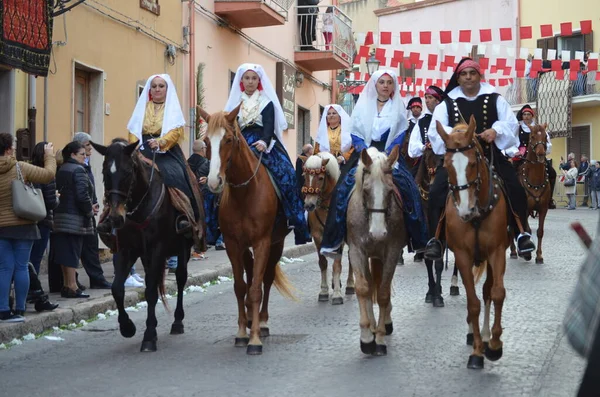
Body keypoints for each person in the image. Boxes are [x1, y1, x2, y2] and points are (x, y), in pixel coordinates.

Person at [424, 58, 536, 260]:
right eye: (464, 74)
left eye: (472, 73)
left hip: (489, 154)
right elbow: (435, 129)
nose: (468, 77)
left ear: (479, 76)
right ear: (458, 78)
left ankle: (521, 232)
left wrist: (495, 130)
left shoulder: (494, 99)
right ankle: (436, 238)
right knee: (436, 192)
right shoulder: (448, 103)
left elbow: (510, 124)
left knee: (515, 187)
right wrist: (457, 134)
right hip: (458, 156)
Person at [320, 69, 429, 258]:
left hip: (389, 156)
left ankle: (419, 239)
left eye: (389, 82)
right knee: (341, 190)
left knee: (409, 187)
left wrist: (388, 155)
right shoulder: (362, 106)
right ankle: (334, 241)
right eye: (382, 82)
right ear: (375, 85)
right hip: (365, 155)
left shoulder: (398, 107)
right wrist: (365, 150)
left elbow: (400, 134)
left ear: (393, 86)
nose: (385, 86)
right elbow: (355, 133)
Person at [97, 74, 204, 252]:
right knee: (124, 176)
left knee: (176, 175)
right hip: (141, 148)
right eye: (153, 86)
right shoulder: (142, 108)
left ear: (167, 89)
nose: (157, 89)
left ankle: (183, 216)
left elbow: (176, 131)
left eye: (161, 86)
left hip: (167, 151)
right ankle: (110, 216)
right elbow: (133, 129)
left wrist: (161, 142)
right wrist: (136, 146)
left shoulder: (172, 109)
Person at [223, 63, 311, 245]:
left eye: (254, 78)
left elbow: (269, 125)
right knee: (217, 172)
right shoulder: (234, 103)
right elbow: (229, 126)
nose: (250, 82)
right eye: (247, 78)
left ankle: (295, 219)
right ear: (241, 81)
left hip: (263, 141)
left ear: (259, 81)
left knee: (286, 174)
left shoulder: (266, 102)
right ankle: (214, 225)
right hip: (239, 142)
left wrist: (264, 141)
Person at [0, 133, 57, 322]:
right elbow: (48, 175)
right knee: (21, 267)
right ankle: (20, 309)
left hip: (1, 227)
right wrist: (49, 155)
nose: (15, 148)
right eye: (14, 146)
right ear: (8, 149)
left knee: (5, 268)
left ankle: (3, 310)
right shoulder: (20, 168)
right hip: (23, 225)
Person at [53, 142, 95, 298]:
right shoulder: (78, 170)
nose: (85, 157)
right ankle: (72, 286)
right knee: (72, 252)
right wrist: (90, 210)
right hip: (75, 218)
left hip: (60, 216)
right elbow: (82, 196)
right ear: (72, 155)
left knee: (65, 252)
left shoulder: (62, 168)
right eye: (82, 154)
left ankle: (67, 284)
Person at [72, 132, 112, 289]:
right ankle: (78, 281)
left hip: (87, 212)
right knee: (81, 248)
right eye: (88, 145)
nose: (90, 149)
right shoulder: (78, 166)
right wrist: (90, 205)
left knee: (90, 247)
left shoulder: (85, 163)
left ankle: (96, 279)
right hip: (81, 213)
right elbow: (81, 191)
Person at [27, 142, 60, 311]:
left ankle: (27, 291)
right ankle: (34, 292)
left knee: (25, 260)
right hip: (43, 220)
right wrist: (57, 197)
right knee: (35, 259)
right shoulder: (47, 176)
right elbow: (51, 203)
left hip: (28, 220)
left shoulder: (27, 171)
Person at [514, 104, 557, 209]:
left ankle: (549, 199)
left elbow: (548, 143)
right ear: (522, 116)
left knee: (552, 173)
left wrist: (542, 152)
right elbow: (513, 141)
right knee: (512, 173)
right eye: (524, 114)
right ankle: (512, 198)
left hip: (538, 157)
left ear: (532, 116)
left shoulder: (540, 128)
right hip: (522, 157)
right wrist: (516, 152)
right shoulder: (517, 127)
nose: (526, 116)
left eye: (529, 114)